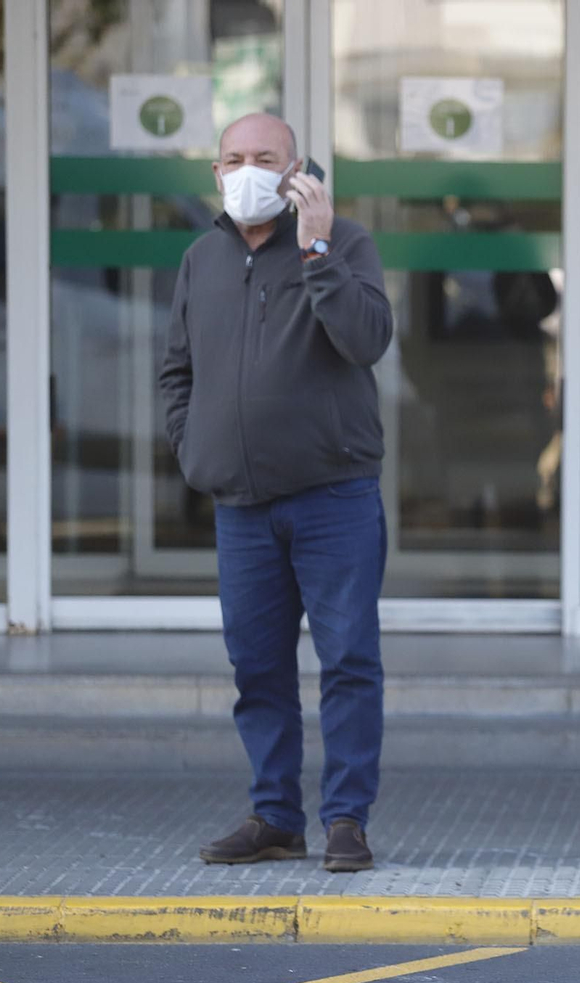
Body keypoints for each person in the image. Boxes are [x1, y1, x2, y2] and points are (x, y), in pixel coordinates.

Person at [160, 114, 394, 873]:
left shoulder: (344, 242)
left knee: (349, 661)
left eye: (266, 157)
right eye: (234, 158)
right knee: (256, 668)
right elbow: (177, 372)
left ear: (299, 172)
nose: (247, 170)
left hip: (334, 497)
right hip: (242, 508)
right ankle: (274, 816)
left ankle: (347, 819)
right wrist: (195, 450)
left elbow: (366, 340)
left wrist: (318, 249)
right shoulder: (202, 258)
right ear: (215, 174)